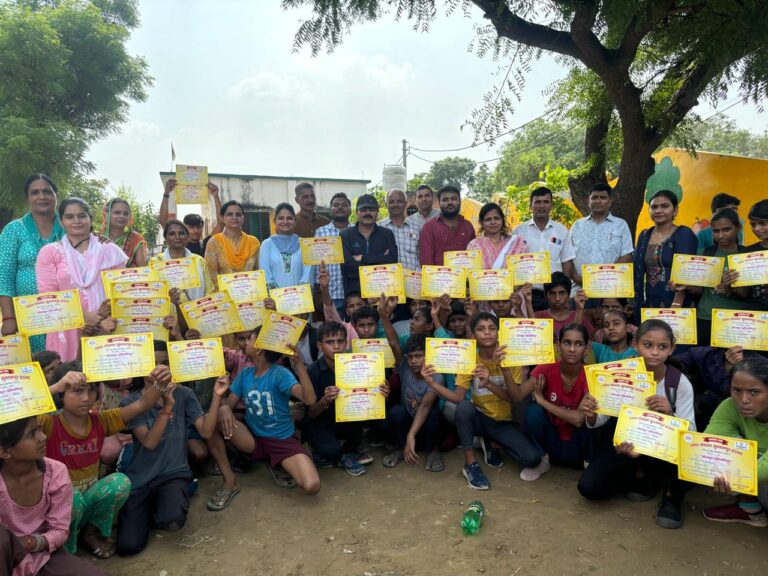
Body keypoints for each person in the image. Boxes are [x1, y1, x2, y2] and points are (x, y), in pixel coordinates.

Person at [38, 362, 169, 559]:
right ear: (61, 394)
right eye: (77, 391)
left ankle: (90, 532)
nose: (86, 398)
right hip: (58, 506)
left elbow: (142, 404)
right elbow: (17, 413)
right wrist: (55, 386)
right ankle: (66, 547)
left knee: (119, 482)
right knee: (71, 497)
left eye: (91, 390)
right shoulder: (48, 424)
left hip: (88, 498)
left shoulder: (101, 420)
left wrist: (160, 383)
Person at [578, 319, 696, 529]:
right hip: (628, 443)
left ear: (672, 349)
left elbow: (691, 433)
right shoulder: (620, 374)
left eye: (662, 347)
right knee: (589, 488)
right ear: (635, 344)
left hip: (664, 447)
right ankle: (641, 474)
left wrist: (670, 414)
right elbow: (601, 419)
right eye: (648, 345)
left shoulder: (679, 383)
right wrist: (591, 414)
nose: (654, 352)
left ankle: (672, 496)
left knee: (689, 458)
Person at [116, 342, 229, 555]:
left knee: (173, 520)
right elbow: (150, 443)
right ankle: (148, 506)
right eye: (155, 363)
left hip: (173, 474)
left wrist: (217, 396)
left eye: (166, 363)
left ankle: (169, 498)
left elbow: (205, 432)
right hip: (141, 478)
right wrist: (167, 408)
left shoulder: (184, 394)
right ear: (142, 366)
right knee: (128, 546)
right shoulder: (130, 402)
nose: (161, 368)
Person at [421, 313, 544, 489]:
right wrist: (432, 383)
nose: (487, 332)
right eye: (481, 329)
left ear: (499, 333)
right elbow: (458, 397)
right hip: (480, 418)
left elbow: (515, 398)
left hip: (503, 422)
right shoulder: (469, 359)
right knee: (464, 407)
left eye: (492, 328)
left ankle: (491, 442)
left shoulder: (510, 358)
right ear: (473, 335)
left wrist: (492, 381)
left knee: (533, 458)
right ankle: (470, 463)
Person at [206, 329, 320, 507]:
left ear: (259, 349)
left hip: (281, 440)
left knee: (311, 485)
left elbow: (310, 399)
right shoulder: (245, 375)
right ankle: (229, 480)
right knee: (211, 419)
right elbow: (228, 404)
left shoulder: (280, 374)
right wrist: (224, 408)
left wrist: (300, 366)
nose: (245, 343)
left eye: (249, 339)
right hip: (252, 439)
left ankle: (275, 460)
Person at [0, 417, 111, 576]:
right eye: (31, 434)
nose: (43, 436)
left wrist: (31, 543)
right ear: (4, 451)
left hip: (42, 555)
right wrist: (14, 546)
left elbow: (59, 531)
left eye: (39, 429)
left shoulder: (55, 472)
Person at [36, 198, 128, 361]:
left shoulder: (110, 250)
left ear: (90, 219)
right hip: (67, 328)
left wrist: (102, 316)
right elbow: (48, 298)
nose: (76, 221)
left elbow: (122, 292)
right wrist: (84, 316)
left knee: (105, 371)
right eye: (69, 217)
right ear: (61, 221)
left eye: (82, 216)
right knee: (70, 373)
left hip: (106, 325)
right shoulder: (49, 252)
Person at [305, 322, 389, 475]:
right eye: (330, 342)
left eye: (340, 341)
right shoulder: (312, 371)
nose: (336, 346)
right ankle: (327, 450)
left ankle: (347, 453)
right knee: (330, 451)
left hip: (349, 417)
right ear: (319, 346)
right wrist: (324, 400)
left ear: (346, 343)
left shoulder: (358, 365)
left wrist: (382, 392)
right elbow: (311, 414)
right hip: (322, 420)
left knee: (361, 421)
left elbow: (371, 399)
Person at [0, 174, 65, 353]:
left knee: (66, 364)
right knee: (35, 364)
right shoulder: (14, 230)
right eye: (35, 192)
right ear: (27, 199)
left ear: (56, 195)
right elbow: (3, 276)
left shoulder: (70, 226)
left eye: (47, 191)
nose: (41, 196)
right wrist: (8, 318)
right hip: (28, 317)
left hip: (67, 315)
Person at [701, 356, 768, 527]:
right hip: (758, 479)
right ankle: (750, 509)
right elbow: (709, 446)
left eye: (754, 392)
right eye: (737, 390)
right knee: (727, 450)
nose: (744, 399)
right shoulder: (729, 406)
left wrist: (731, 476)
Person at [520, 324, 593, 469]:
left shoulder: (592, 375)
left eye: (578, 344)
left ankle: (588, 464)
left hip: (577, 444)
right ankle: (543, 459)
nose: (572, 349)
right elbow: (518, 395)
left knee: (593, 418)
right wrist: (505, 371)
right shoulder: (546, 368)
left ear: (586, 349)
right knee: (533, 412)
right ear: (558, 346)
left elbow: (579, 419)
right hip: (552, 439)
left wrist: (543, 402)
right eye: (567, 343)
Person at [672, 208, 747, 345]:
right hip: (705, 317)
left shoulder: (745, 256)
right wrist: (687, 286)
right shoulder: (705, 253)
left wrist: (732, 288)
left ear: (738, 228)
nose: (720, 235)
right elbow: (701, 290)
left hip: (734, 321)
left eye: (726, 230)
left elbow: (747, 294)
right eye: (716, 231)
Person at [633, 189, 698, 320]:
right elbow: (637, 271)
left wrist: (676, 306)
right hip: (650, 303)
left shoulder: (683, 234)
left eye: (665, 206)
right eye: (654, 207)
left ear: (675, 210)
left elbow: (685, 275)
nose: (658, 210)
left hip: (676, 305)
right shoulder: (645, 235)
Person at [383, 334, 443, 472]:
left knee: (434, 413)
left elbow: (426, 405)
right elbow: (393, 343)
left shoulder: (436, 376)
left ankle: (432, 450)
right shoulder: (405, 367)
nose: (413, 361)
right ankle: (401, 447)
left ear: (428, 356)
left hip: (427, 426)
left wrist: (411, 435)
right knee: (396, 411)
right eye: (410, 357)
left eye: (418, 356)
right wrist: (384, 319)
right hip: (409, 422)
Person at [512, 187, 577, 311]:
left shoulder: (561, 230)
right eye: (537, 202)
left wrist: (565, 293)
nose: (542, 206)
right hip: (527, 294)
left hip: (555, 295)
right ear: (530, 205)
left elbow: (566, 262)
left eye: (546, 202)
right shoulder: (518, 231)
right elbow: (513, 263)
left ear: (551, 205)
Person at [570, 183, 634, 298]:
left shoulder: (620, 225)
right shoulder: (577, 225)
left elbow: (627, 256)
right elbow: (567, 256)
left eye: (603, 198)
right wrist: (575, 277)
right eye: (594, 197)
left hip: (610, 292)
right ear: (588, 201)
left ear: (610, 202)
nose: (598, 201)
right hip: (580, 290)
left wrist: (603, 279)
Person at [340, 194, 398, 296]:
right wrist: (380, 259)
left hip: (382, 293)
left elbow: (392, 262)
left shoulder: (386, 234)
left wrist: (362, 258)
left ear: (377, 212)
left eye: (371, 209)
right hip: (355, 295)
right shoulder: (346, 235)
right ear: (356, 212)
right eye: (363, 210)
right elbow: (348, 268)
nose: (367, 213)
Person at [150, 219, 215, 302]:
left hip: (198, 309)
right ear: (165, 238)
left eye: (181, 233)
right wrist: (169, 299)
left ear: (187, 237)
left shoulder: (199, 260)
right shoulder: (156, 262)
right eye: (172, 234)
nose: (177, 237)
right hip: (168, 310)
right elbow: (153, 293)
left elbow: (209, 291)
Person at [159, 178, 222, 256]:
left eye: (198, 227)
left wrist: (216, 196)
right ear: (185, 229)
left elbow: (221, 224)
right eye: (191, 227)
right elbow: (163, 221)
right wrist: (166, 193)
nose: (196, 231)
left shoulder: (206, 243)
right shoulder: (178, 244)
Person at [205, 200, 260, 287]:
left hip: (251, 291)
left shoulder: (253, 242)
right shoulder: (214, 242)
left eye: (238, 214)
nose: (234, 217)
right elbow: (211, 274)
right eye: (229, 214)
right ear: (223, 218)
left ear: (243, 218)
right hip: (225, 292)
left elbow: (258, 271)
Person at [314, 193, 352, 318]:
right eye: (336, 205)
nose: (340, 207)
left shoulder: (356, 231)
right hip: (331, 295)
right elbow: (316, 264)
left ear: (350, 210)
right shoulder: (320, 232)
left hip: (354, 295)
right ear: (330, 209)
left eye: (344, 205)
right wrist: (320, 292)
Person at [418, 185, 476, 266]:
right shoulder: (429, 228)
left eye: (453, 199)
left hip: (466, 274)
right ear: (439, 203)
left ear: (460, 201)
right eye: (445, 200)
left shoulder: (468, 226)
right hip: (438, 274)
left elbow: (474, 257)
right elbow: (426, 262)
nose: (450, 202)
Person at [259, 203, 312, 290]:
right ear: (274, 221)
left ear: (295, 221)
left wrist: (297, 295)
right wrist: (280, 296)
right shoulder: (267, 245)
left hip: (301, 296)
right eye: (281, 218)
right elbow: (266, 276)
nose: (285, 221)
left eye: (289, 218)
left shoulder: (304, 244)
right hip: (274, 297)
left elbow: (307, 276)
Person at [534, 273, 594, 340]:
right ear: (546, 295)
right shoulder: (539, 316)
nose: (557, 298)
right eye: (552, 293)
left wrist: (579, 310)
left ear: (568, 295)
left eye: (561, 293)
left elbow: (591, 341)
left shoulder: (578, 315)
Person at [466, 202, 526, 269]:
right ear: (481, 222)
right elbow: (470, 271)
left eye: (496, 218)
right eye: (488, 219)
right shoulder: (474, 245)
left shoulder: (516, 242)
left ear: (502, 220)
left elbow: (523, 268)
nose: (493, 222)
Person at [378, 189, 422, 271]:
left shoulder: (416, 228)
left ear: (405, 204)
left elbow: (421, 256)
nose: (395, 205)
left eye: (399, 201)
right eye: (391, 202)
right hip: (388, 278)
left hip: (413, 277)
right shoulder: (378, 228)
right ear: (386, 204)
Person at [102, 198, 147, 268]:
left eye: (125, 214)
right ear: (107, 215)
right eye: (117, 212)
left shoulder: (135, 239)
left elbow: (143, 270)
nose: (122, 216)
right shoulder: (99, 239)